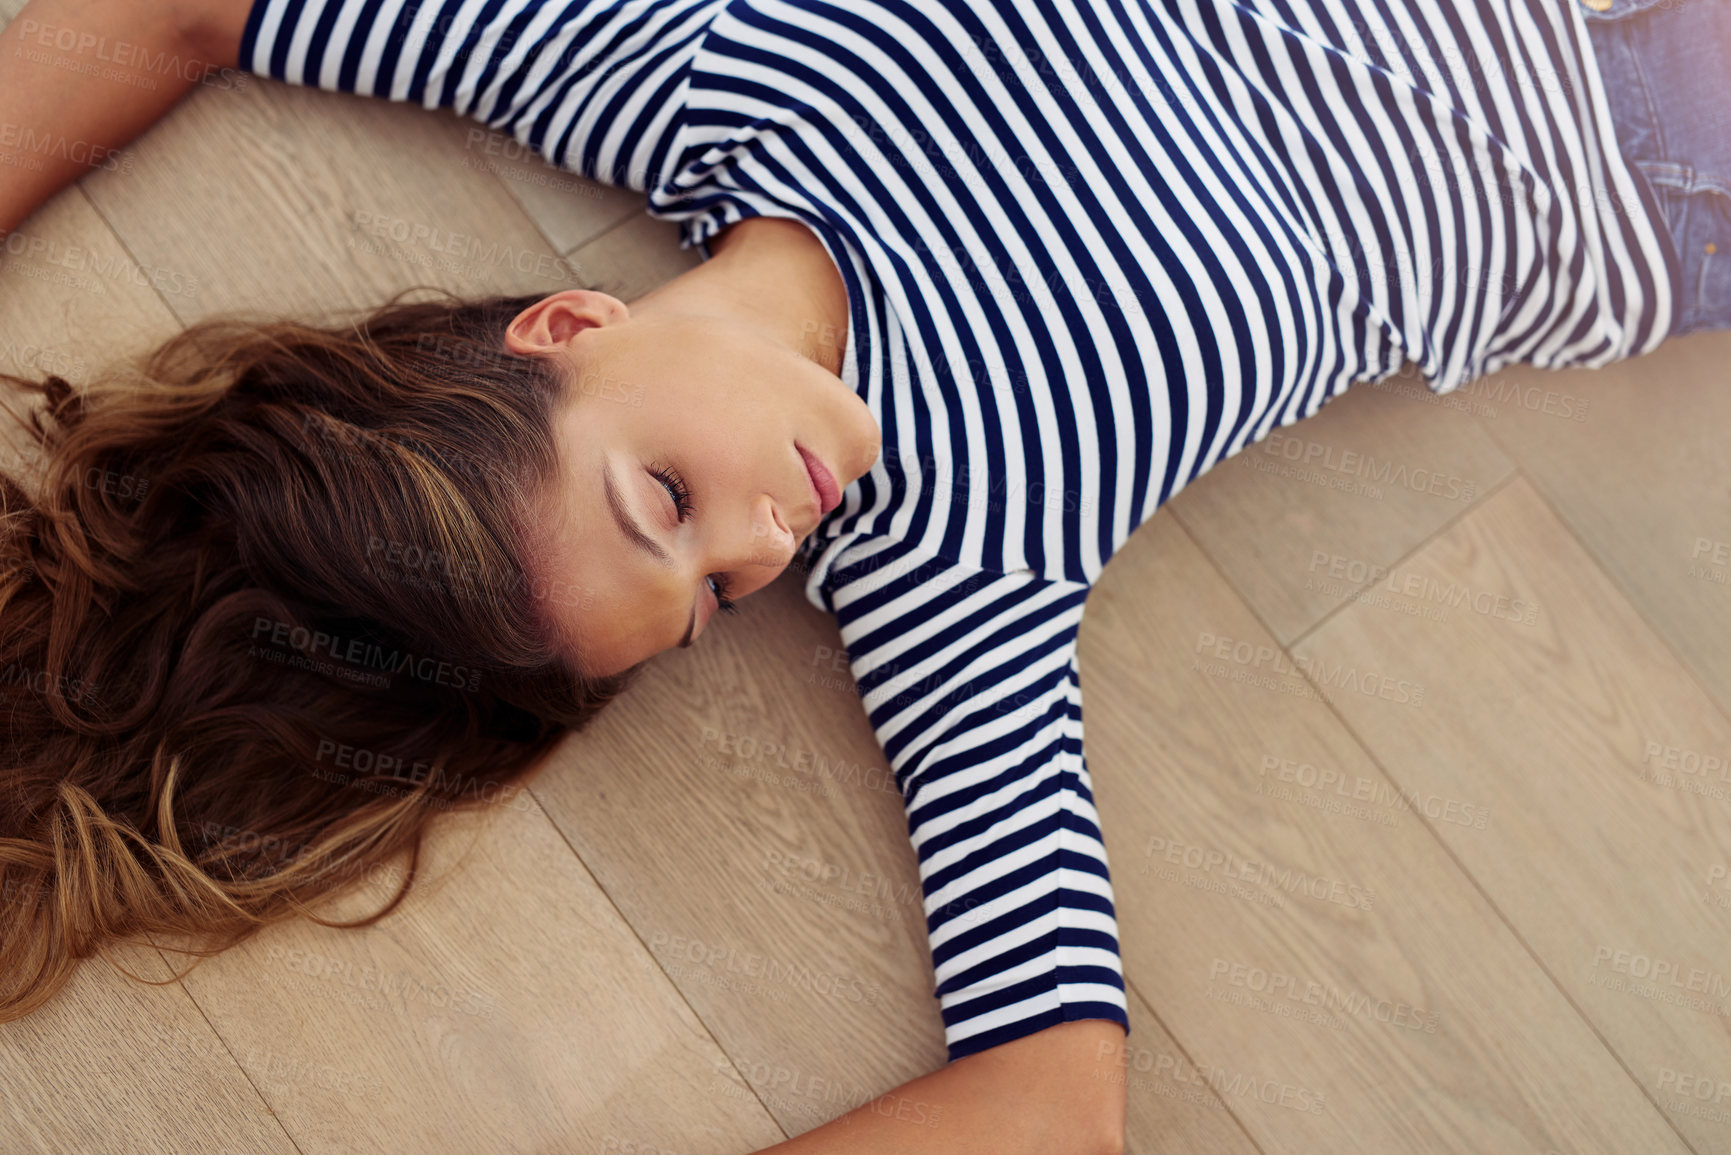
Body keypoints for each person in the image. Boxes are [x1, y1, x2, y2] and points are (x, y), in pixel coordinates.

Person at [0, 0, 1723, 1150]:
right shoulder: (960, 555)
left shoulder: (717, 72)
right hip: (1648, 145)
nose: (765, 543)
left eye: (662, 496)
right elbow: (1052, 1106)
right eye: (716, 600)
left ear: (570, 328)